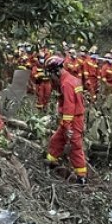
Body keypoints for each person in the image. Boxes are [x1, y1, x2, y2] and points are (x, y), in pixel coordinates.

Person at [44, 55, 88, 184]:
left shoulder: (67, 83)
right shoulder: (71, 79)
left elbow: (70, 107)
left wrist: (68, 126)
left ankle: (82, 177)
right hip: (70, 119)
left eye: (50, 74)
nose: (50, 78)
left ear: (56, 71)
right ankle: (51, 162)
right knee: (56, 140)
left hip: (73, 120)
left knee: (75, 148)